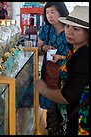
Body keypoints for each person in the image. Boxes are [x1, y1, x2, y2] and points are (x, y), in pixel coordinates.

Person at [35, 5, 89, 135]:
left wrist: (44, 90)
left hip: (79, 119)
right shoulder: (76, 50)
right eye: (67, 26)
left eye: (75, 29)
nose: (69, 31)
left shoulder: (82, 57)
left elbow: (68, 96)